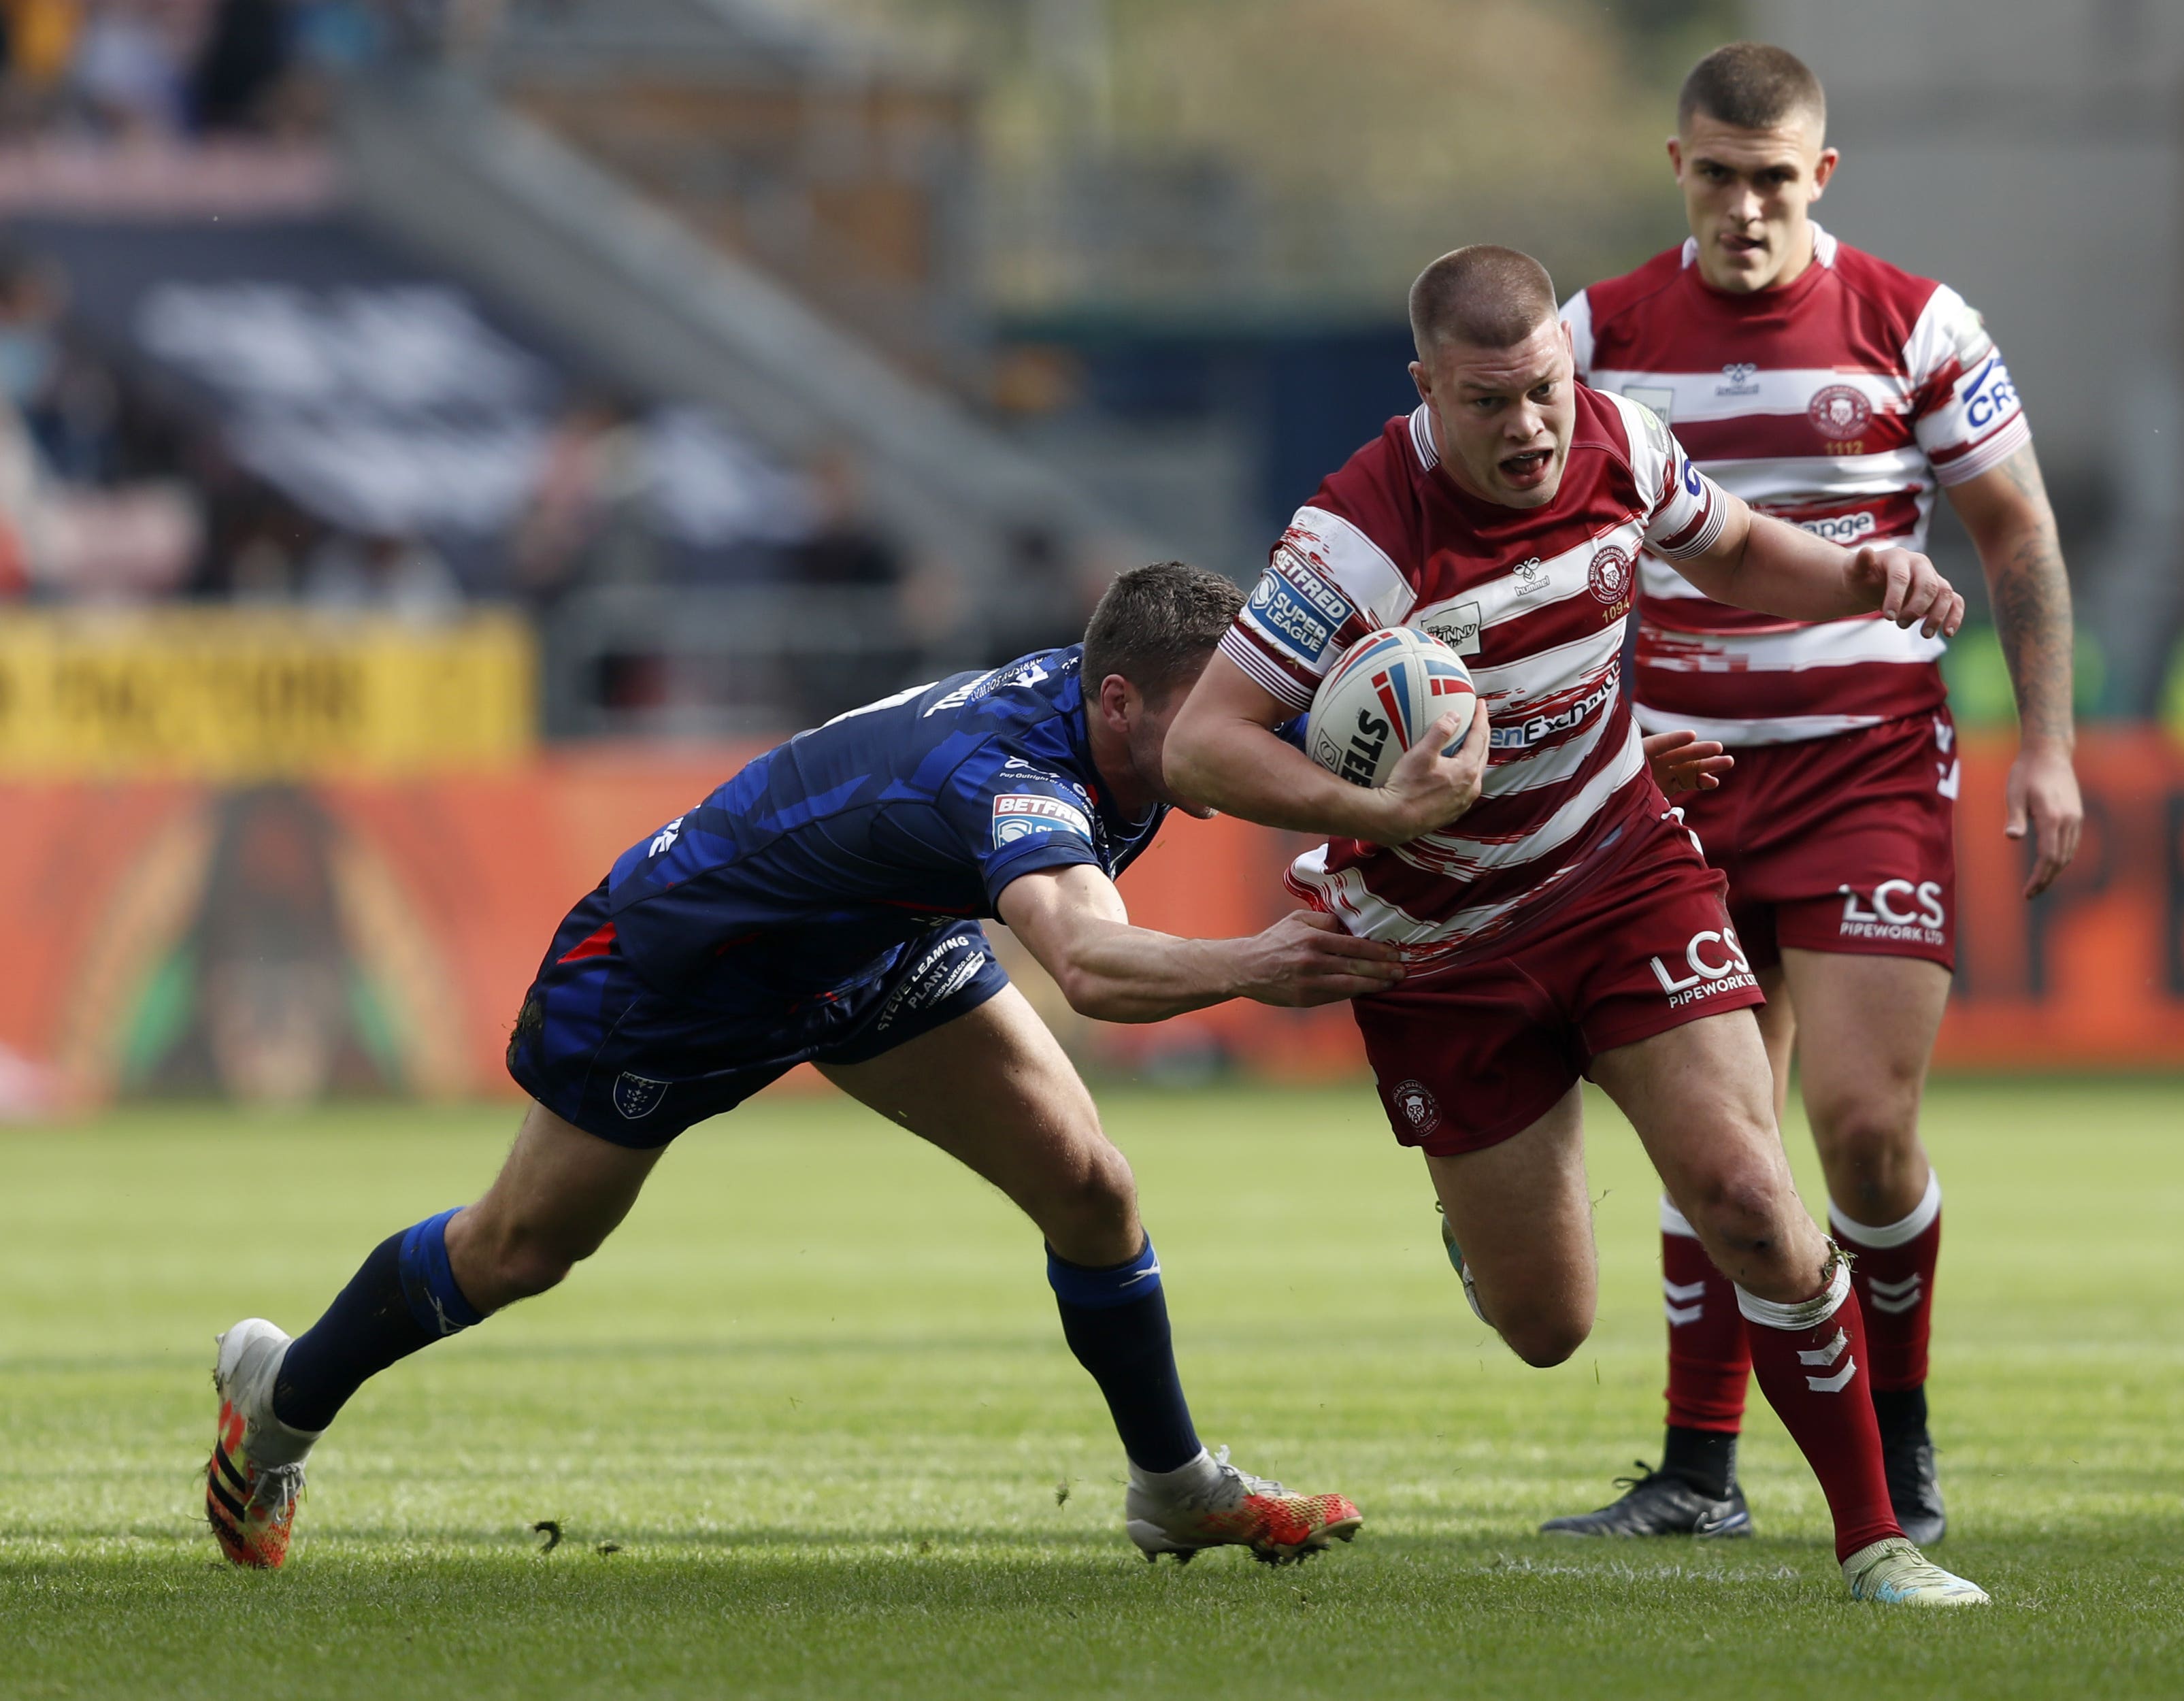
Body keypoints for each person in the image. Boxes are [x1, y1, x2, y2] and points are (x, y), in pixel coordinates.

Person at [206, 563, 1384, 1572]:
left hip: (867, 945)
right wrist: (1258, 963)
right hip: (678, 969)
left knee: (1091, 1190)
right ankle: (278, 1406)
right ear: (1118, 701)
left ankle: (1174, 1489)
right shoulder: (1013, 775)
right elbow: (1086, 965)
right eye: (1210, 715)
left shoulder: (1131, 714)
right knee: (520, 1249)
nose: (1236, 737)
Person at [1163, 245, 1989, 1606]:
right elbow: (1203, 745)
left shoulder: (1621, 441)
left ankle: (1876, 1541)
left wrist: (1864, 580)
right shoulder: (1355, 540)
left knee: (1747, 1194)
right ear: (1426, 388)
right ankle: (1477, 1226)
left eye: (1545, 387)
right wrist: (1367, 808)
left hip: (1623, 877)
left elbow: (1728, 547)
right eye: (1489, 402)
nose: (1532, 426)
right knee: (1549, 1324)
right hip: (1442, 948)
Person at [1540, 42, 2083, 1547]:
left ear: (1820, 178)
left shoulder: (1915, 323)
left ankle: (1897, 1452)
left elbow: (2017, 535)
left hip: (1864, 768)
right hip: (1681, 774)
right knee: (1715, 1132)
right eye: (1716, 175)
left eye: (1773, 178)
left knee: (1859, 1126)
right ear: (1678, 170)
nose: (1744, 206)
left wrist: (2046, 744)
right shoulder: (1599, 335)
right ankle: (1698, 1469)